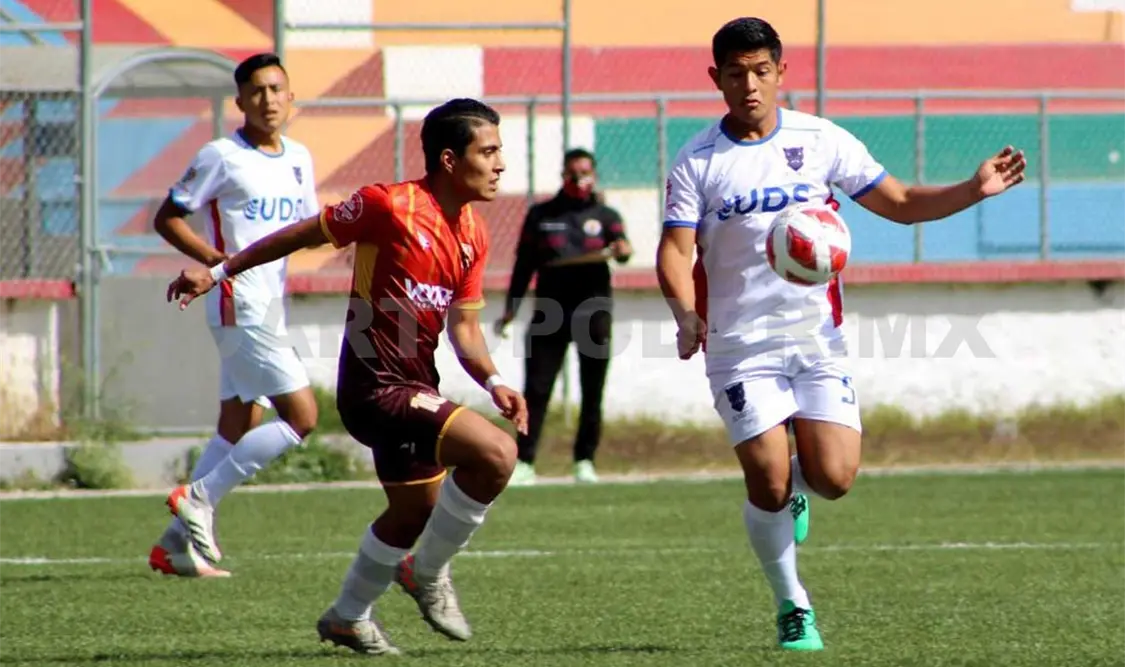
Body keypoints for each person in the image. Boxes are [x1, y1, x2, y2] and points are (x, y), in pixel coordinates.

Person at [656, 17, 1026, 652]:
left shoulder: (820, 140)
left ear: (781, 72)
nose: (750, 84)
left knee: (833, 479)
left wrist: (974, 188)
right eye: (736, 73)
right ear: (715, 77)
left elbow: (902, 202)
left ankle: (801, 487)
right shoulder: (698, 160)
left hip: (818, 342)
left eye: (762, 71)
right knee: (766, 480)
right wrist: (686, 313)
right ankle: (792, 603)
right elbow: (673, 248)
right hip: (740, 347)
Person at [166, 98, 529, 657]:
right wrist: (217, 271)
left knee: (413, 514)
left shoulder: (472, 234)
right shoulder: (390, 205)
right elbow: (301, 234)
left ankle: (347, 616)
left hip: (418, 388)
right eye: (490, 151)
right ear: (451, 160)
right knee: (497, 454)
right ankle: (427, 575)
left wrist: (494, 380)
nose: (501, 162)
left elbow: (466, 328)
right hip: (375, 388)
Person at [149, 52, 321, 578]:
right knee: (302, 417)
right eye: (257, 92)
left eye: (276, 89)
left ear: (292, 98)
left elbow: (308, 228)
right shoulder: (221, 155)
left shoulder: (299, 158)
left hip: (271, 302)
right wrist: (216, 265)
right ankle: (198, 498)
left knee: (239, 420)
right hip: (237, 301)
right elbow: (168, 217)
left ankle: (174, 546)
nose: (268, 100)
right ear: (241, 101)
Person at [494, 148, 632, 486]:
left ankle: (585, 460)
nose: (579, 180)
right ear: (562, 176)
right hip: (550, 312)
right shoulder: (542, 215)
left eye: (585, 173)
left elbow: (623, 248)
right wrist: (511, 307)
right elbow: (524, 263)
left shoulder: (607, 214)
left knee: (592, 390)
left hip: (593, 312)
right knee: (537, 390)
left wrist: (623, 250)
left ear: (594, 175)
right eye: (573, 174)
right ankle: (525, 461)